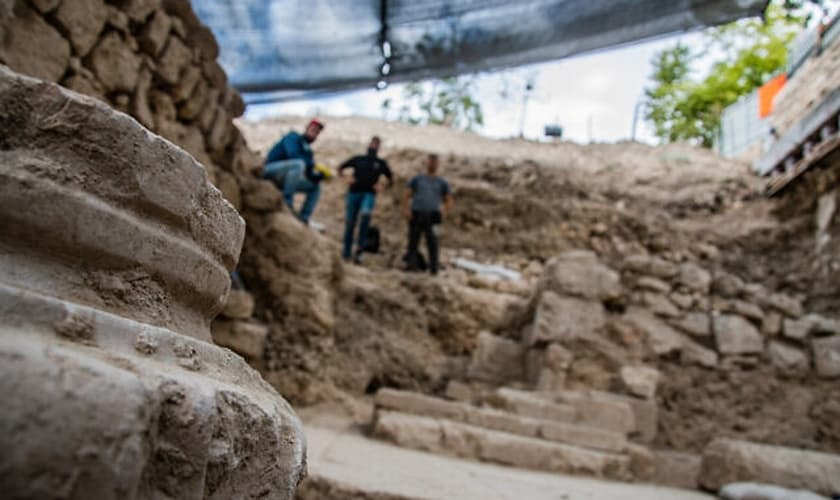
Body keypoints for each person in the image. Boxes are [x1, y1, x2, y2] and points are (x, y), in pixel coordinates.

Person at [338, 136, 394, 263]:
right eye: (373, 143)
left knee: (365, 217)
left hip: (369, 194)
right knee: (350, 223)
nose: (374, 146)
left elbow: (391, 179)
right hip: (353, 193)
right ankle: (346, 253)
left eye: (377, 144)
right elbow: (341, 168)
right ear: (369, 144)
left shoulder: (380, 163)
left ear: (379, 147)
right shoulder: (358, 159)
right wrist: (347, 178)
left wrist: (381, 186)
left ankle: (359, 252)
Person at [262, 118, 328, 224]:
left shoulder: (309, 152)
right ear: (307, 128)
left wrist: (317, 176)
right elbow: (293, 154)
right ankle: (287, 203)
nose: (314, 133)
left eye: (317, 132)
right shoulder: (293, 137)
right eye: (313, 129)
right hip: (270, 170)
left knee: (315, 186)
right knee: (298, 164)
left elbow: (308, 172)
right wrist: (312, 165)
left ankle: (304, 217)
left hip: (285, 178)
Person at [403, 153, 453, 275]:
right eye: (431, 161)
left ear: (438, 164)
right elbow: (407, 194)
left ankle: (433, 269)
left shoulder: (442, 182)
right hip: (417, 213)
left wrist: (444, 212)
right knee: (413, 241)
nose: (433, 163)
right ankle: (411, 267)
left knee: (433, 243)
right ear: (427, 162)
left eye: (435, 161)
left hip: (433, 216)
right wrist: (406, 209)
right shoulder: (418, 179)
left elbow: (449, 199)